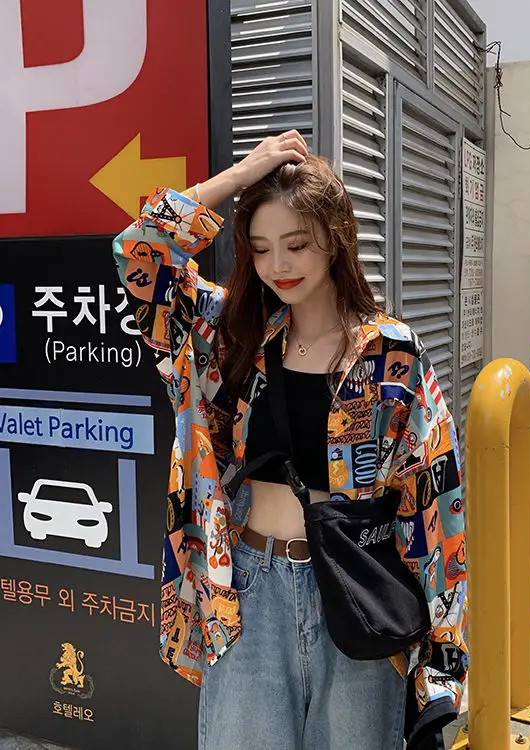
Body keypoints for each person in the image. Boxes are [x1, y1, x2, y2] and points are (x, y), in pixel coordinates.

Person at [112, 131, 468, 750]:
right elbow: (141, 256)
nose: (279, 265)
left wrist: (441, 667)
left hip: (357, 593)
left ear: (336, 237)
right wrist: (240, 176)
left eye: (297, 244)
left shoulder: (390, 354)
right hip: (248, 589)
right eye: (260, 249)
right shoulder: (235, 338)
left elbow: (436, 503)